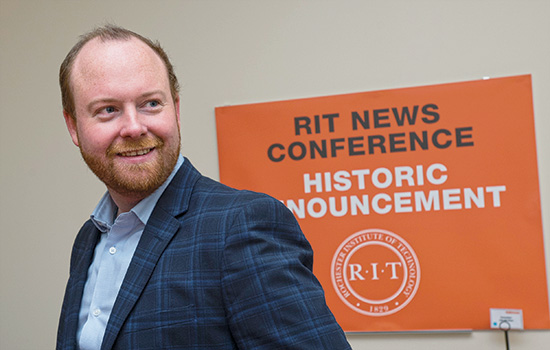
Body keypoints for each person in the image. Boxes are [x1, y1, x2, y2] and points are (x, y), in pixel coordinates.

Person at [56, 25, 351, 350]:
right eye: (108, 110)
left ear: (176, 110)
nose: (134, 127)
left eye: (151, 104)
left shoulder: (243, 226)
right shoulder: (89, 239)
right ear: (73, 127)